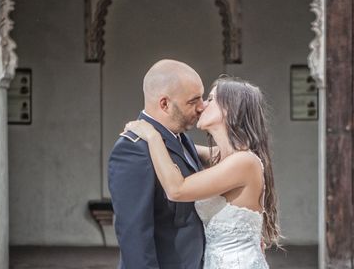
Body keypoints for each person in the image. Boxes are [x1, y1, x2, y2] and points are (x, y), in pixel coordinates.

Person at [124, 75, 280, 269]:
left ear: (230, 109)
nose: (201, 106)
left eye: (211, 99)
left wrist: (152, 135)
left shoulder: (243, 162)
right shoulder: (221, 157)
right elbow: (180, 148)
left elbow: (176, 190)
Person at [108, 59, 206, 269]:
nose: (202, 107)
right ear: (165, 104)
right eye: (193, 101)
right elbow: (134, 235)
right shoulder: (134, 150)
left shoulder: (180, 139)